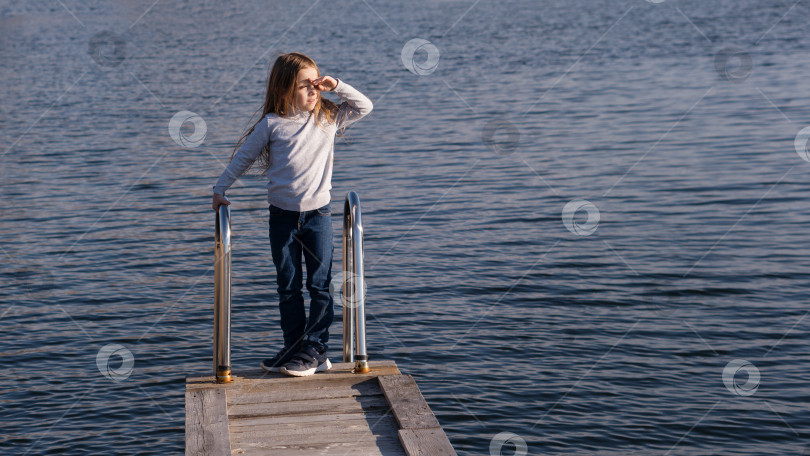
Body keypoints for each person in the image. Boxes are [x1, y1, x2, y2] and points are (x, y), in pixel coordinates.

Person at [211, 52, 373, 377]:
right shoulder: (272, 124)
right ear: (285, 89)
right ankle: (296, 346)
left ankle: (314, 347)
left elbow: (364, 106)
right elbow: (243, 157)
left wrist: (336, 84)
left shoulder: (327, 118)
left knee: (319, 284)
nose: (313, 92)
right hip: (282, 219)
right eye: (304, 86)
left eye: (316, 85)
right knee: (287, 286)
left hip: (318, 217)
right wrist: (220, 188)